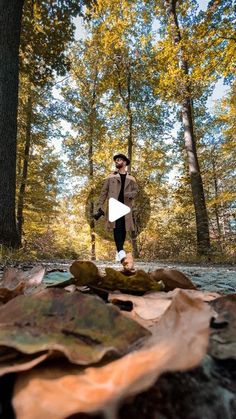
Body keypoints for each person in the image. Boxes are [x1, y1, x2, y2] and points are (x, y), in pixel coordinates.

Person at [95, 153, 139, 271]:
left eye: (119, 160)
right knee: (116, 228)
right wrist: (99, 206)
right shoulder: (110, 177)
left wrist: (128, 194)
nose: (117, 161)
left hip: (126, 207)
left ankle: (120, 252)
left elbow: (136, 191)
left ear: (125, 162)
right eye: (116, 160)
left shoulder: (131, 178)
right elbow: (103, 192)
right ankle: (121, 254)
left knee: (123, 230)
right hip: (114, 206)